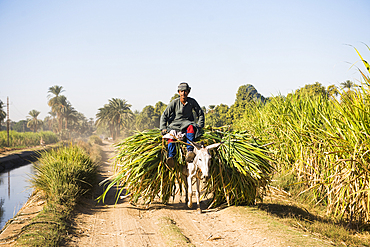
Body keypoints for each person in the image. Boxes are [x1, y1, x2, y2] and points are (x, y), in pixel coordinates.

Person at [160, 82, 205, 167]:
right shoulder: (174, 102)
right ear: (179, 92)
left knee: (191, 127)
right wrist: (163, 127)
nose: (183, 93)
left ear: (188, 92)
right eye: (181, 91)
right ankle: (171, 157)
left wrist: (200, 124)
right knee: (172, 135)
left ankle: (190, 151)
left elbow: (200, 113)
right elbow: (164, 115)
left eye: (185, 91)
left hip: (187, 123)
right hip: (175, 124)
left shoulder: (192, 102)